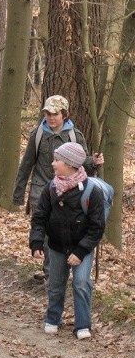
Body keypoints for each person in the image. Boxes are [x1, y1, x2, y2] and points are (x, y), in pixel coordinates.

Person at [13, 95, 103, 280]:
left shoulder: (74, 136)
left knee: (58, 230)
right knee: (45, 232)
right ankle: (50, 274)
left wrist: (94, 162)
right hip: (41, 189)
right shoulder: (37, 135)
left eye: (55, 113)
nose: (51, 117)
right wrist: (18, 194)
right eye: (47, 113)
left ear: (64, 114)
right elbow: (26, 164)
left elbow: (82, 162)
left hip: (68, 192)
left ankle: (58, 270)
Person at [29, 143, 106, 339]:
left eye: (57, 160)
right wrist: (37, 241)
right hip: (56, 246)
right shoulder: (51, 188)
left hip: (82, 248)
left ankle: (82, 325)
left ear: (70, 164)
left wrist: (80, 252)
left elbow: (97, 226)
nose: (53, 163)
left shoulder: (91, 191)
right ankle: (53, 318)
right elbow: (40, 217)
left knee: (81, 283)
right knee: (55, 284)